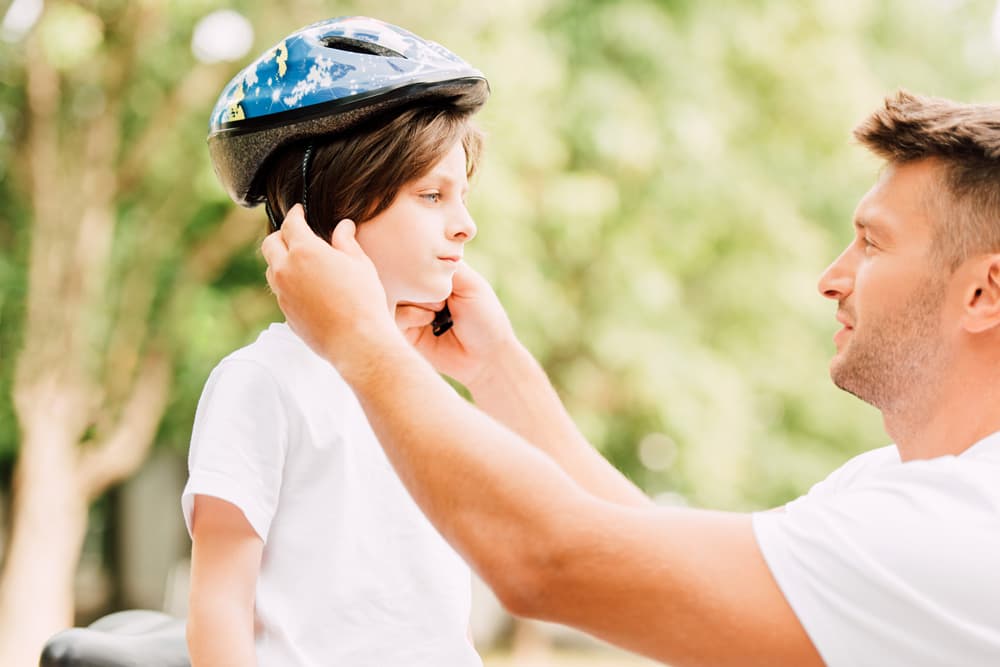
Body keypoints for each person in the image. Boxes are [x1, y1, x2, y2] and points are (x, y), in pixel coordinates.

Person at [260, 89, 1000, 667]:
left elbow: (550, 560)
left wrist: (361, 342)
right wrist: (497, 368)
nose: (830, 277)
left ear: (984, 291)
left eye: (872, 243)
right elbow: (641, 550)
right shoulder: (889, 493)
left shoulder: (962, 533)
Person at [182, 16, 489, 667]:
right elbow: (219, 607)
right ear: (336, 208)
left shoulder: (426, 391)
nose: (465, 225)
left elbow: (438, 610)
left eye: (463, 196)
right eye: (432, 194)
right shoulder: (262, 381)